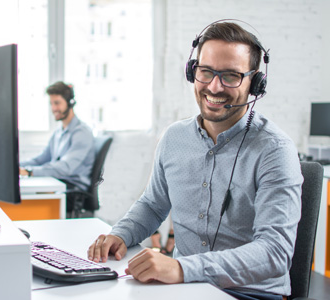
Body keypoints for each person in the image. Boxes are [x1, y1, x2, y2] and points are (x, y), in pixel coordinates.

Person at [87, 21, 303, 300]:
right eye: (206, 72)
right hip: (185, 289)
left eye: (231, 76)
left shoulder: (275, 150)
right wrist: (121, 235)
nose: (215, 86)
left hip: (249, 294)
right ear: (193, 72)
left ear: (255, 83)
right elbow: (153, 205)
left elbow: (275, 252)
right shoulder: (174, 137)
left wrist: (181, 268)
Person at [20, 81, 95, 199]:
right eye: (51, 103)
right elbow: (40, 160)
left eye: (57, 103)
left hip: (73, 190)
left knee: (30, 197)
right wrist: (16, 167)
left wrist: (29, 172)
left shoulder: (81, 132)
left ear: (70, 103)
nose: (53, 108)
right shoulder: (58, 132)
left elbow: (65, 168)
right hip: (58, 183)